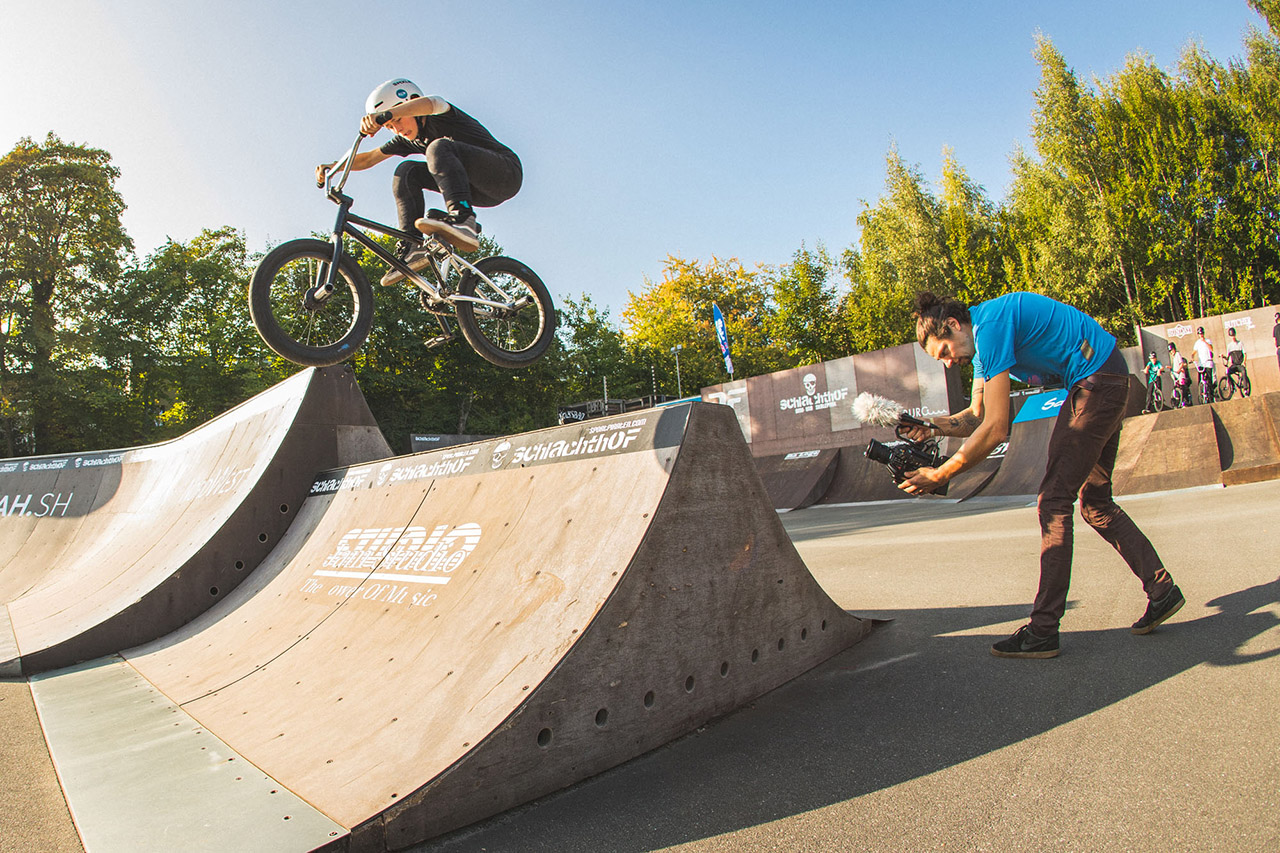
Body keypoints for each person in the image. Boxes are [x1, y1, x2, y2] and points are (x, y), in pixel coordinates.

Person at [899, 291, 1184, 658]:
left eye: (944, 352)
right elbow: (975, 416)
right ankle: (1162, 590)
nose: (949, 363)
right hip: (1107, 378)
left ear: (953, 325)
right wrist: (931, 427)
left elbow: (996, 428)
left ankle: (1043, 630)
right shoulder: (984, 341)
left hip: (1095, 383)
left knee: (1053, 502)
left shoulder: (991, 327)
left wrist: (941, 474)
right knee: (1095, 505)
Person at [315, 78, 523, 285]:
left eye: (398, 120)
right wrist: (333, 167)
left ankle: (463, 219)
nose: (397, 129)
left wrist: (387, 114)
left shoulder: (440, 114)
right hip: (475, 191)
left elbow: (431, 103)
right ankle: (412, 248)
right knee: (406, 172)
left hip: (505, 173)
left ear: (411, 104)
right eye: (390, 127)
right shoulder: (408, 140)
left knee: (437, 147)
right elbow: (369, 158)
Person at [1192, 327, 1215, 403]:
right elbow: (1194, 352)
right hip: (1201, 364)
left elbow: (1211, 349)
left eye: (1202, 333)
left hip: (1208, 363)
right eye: (1199, 334)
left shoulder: (1208, 340)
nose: (1201, 335)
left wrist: (1205, 341)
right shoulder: (1197, 343)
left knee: (1209, 380)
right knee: (1200, 380)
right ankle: (1201, 395)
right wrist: (1192, 357)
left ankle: (1211, 396)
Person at [1223, 327, 1248, 393]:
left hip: (1240, 364)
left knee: (1244, 371)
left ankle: (1245, 388)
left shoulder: (1240, 343)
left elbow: (1245, 354)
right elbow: (1227, 357)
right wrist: (1223, 356)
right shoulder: (1229, 346)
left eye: (1233, 335)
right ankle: (1232, 387)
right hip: (1234, 365)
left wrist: (1244, 362)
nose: (1233, 337)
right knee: (1227, 372)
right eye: (1231, 336)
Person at [1168, 341, 1190, 407]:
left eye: (1171, 350)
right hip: (1176, 375)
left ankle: (1185, 402)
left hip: (1180, 374)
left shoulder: (1177, 354)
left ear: (1174, 349)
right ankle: (1178, 402)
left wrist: (1179, 370)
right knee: (1177, 388)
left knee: (1183, 388)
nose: (1171, 352)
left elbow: (1181, 363)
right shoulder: (1174, 357)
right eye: (1170, 351)